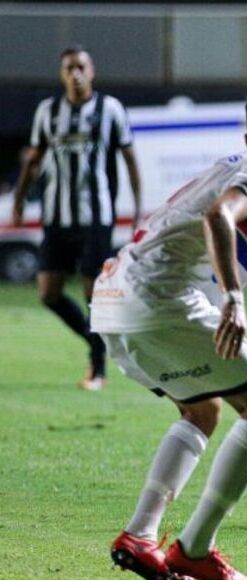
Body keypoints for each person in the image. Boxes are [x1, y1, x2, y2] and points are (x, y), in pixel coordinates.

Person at [91, 80, 247, 580]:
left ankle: (141, 536)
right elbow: (219, 216)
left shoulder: (234, 161)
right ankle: (193, 550)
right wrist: (233, 298)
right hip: (159, 299)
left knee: (203, 409)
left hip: (113, 299)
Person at [11, 46, 142, 390]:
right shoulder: (48, 111)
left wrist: (138, 209)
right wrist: (20, 200)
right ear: (62, 74)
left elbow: (129, 158)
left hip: (95, 216)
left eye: (81, 67)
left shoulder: (109, 109)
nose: (76, 74)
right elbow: (34, 157)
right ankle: (95, 341)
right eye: (69, 69)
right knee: (48, 292)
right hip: (56, 216)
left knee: (92, 294)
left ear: (92, 71)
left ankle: (97, 369)